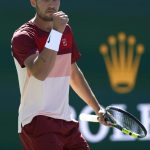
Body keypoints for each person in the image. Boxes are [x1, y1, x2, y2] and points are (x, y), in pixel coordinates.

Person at [11, 0, 110, 149]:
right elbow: (40, 73)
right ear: (33, 2)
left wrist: (98, 109)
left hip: (66, 122)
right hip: (37, 122)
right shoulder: (23, 36)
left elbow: (73, 73)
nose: (51, 3)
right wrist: (56, 32)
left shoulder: (66, 31)